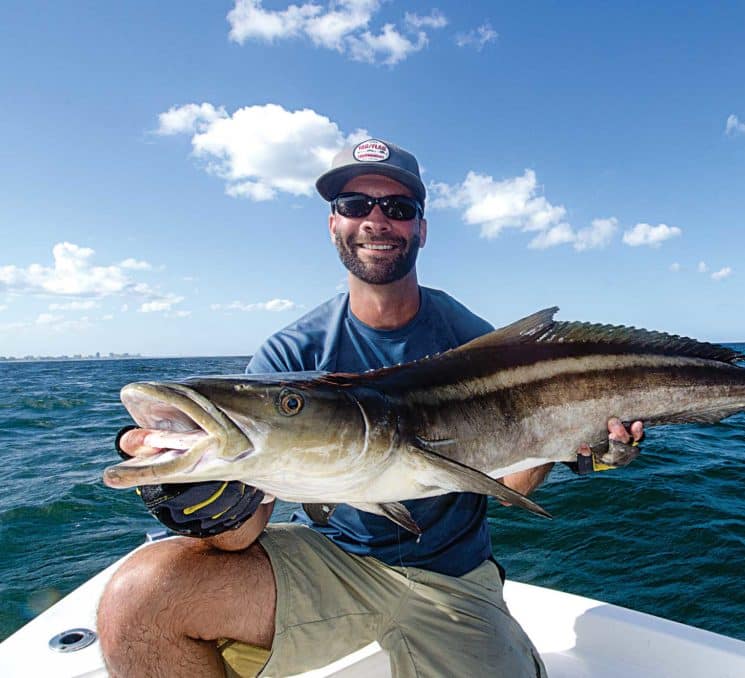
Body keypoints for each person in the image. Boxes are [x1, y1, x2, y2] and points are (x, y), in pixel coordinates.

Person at [97, 139, 643, 678]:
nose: (376, 221)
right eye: (355, 205)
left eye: (399, 209)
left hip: (453, 575)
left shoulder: (477, 347)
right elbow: (239, 537)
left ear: (421, 229)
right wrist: (199, 494)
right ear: (333, 223)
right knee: (139, 600)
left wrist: (582, 446)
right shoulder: (290, 355)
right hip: (334, 561)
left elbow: (514, 486)